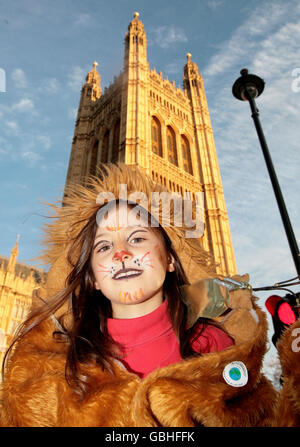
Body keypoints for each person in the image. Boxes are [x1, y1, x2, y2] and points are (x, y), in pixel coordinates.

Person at [0, 163, 299, 427]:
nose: (121, 253)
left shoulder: (216, 347)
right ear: (91, 278)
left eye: (138, 237)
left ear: (171, 258)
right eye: (103, 246)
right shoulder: (58, 366)